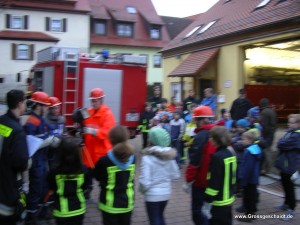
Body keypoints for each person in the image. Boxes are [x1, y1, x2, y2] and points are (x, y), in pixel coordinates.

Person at [94, 125, 135, 225]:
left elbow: (97, 176)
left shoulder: (104, 160)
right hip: (127, 203)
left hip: (109, 204)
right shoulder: (133, 158)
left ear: (110, 140)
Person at [139, 127, 180, 225]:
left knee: (154, 219)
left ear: (151, 140)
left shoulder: (147, 158)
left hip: (152, 195)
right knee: (160, 216)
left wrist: (142, 191)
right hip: (166, 193)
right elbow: (176, 176)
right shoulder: (170, 156)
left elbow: (145, 182)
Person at [0, 90, 29, 225]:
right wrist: (29, 161)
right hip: (9, 185)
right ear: (19, 104)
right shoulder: (17, 130)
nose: (25, 105)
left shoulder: (1, 121)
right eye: (25, 102)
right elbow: (21, 163)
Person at [23, 91, 52, 224]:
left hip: (42, 160)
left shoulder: (40, 120)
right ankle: (31, 215)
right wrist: (46, 142)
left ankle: (41, 210)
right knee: (35, 188)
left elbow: (47, 131)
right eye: (45, 106)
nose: (47, 108)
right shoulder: (31, 122)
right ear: (38, 106)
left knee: (44, 186)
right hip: (36, 162)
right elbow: (30, 144)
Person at [184, 106, 216, 225]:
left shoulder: (201, 136)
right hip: (213, 180)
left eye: (196, 120)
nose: (195, 123)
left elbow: (194, 162)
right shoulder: (216, 132)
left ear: (201, 120)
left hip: (200, 182)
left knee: (198, 212)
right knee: (209, 210)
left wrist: (188, 180)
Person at [82, 88, 116, 198]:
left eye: (95, 100)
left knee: (103, 178)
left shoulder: (107, 114)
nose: (93, 103)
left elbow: (108, 132)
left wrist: (93, 131)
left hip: (101, 152)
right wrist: (79, 121)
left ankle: (105, 196)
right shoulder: (89, 112)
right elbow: (84, 124)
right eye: (92, 100)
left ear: (101, 100)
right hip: (89, 152)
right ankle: (87, 190)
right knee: (87, 175)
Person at [47, 137, 88, 225]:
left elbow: (51, 186)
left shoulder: (54, 172)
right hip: (78, 208)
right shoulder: (83, 169)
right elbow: (85, 186)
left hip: (61, 210)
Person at [202, 126, 237, 225]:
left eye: (211, 137)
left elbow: (214, 182)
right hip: (228, 199)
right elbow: (234, 177)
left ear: (217, 140)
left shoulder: (217, 157)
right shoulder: (230, 154)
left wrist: (207, 200)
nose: (210, 139)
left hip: (218, 201)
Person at [274, 114, 300, 221]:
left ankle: (291, 208)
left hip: (290, 163)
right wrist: (281, 142)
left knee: (289, 186)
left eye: (292, 122)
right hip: (285, 163)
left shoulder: (297, 135)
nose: (289, 124)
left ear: (298, 124)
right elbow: (280, 143)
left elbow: (282, 144)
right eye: (289, 122)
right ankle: (286, 203)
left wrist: (281, 142)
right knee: (284, 182)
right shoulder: (289, 132)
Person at [237, 130, 262, 223]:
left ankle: (248, 215)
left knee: (247, 197)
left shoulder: (248, 151)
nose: (241, 141)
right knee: (252, 196)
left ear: (249, 140)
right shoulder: (256, 148)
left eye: (243, 139)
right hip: (254, 178)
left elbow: (247, 167)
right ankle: (253, 212)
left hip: (248, 179)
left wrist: (243, 179)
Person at [44, 97, 65, 169]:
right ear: (50, 109)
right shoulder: (45, 120)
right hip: (49, 150)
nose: (57, 110)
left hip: (60, 149)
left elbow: (64, 132)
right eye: (54, 108)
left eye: (58, 107)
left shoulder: (62, 119)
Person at [259, 98, 277, 174]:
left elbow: (264, 125)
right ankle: (267, 167)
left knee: (266, 150)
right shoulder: (272, 111)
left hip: (267, 134)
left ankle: (267, 168)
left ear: (262, 105)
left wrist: (262, 134)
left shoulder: (264, 112)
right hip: (272, 132)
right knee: (268, 149)